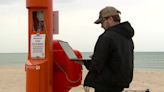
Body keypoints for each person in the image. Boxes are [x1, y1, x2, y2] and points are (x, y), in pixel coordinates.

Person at [78, 6, 135, 92]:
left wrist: (85, 62)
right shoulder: (127, 37)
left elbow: (96, 65)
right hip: (120, 84)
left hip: (106, 84)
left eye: (102, 22)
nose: (101, 26)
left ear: (110, 19)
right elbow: (118, 59)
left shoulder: (107, 37)